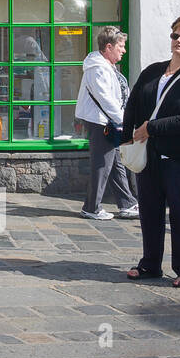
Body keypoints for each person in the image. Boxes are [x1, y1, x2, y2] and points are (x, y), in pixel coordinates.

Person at [122, 16, 180, 287]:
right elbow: (133, 104)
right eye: (175, 36)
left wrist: (152, 127)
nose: (179, 41)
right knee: (150, 210)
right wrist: (127, 138)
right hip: (150, 153)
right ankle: (150, 263)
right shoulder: (152, 71)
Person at [74, 27, 139, 220]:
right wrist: (124, 121)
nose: (124, 50)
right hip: (100, 122)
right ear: (108, 47)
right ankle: (91, 208)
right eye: (121, 46)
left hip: (108, 121)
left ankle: (127, 203)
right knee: (101, 164)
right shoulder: (98, 68)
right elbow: (105, 98)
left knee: (115, 163)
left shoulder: (105, 66)